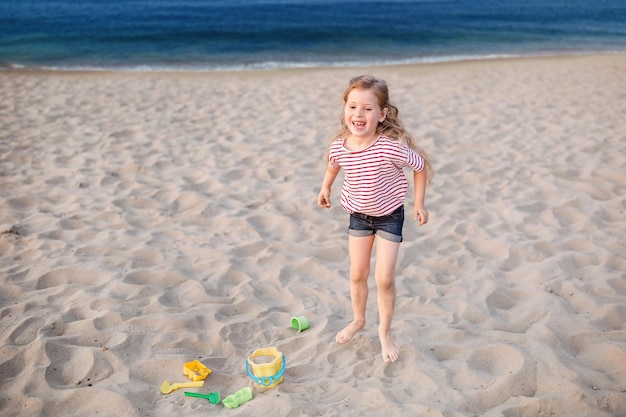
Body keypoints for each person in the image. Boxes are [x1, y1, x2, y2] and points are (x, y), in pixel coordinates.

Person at [317, 75, 433, 363]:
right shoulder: (339, 146)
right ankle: (358, 320)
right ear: (344, 109)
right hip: (358, 215)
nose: (359, 114)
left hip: (390, 216)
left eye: (368, 109)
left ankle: (385, 332)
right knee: (357, 274)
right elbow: (333, 166)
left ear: (381, 114)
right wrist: (325, 187)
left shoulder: (389, 147)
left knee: (384, 279)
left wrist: (418, 203)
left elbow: (419, 167)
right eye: (353, 106)